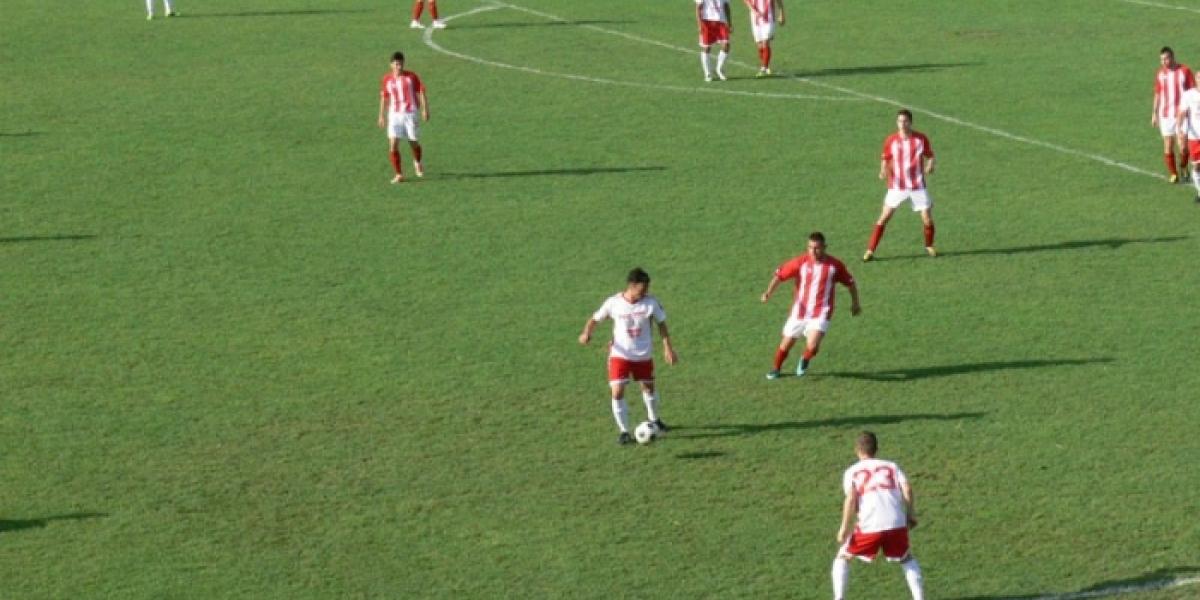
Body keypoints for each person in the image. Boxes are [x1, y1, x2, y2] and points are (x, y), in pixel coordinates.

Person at [579, 268, 679, 445]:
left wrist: (668, 348)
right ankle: (624, 431)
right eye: (642, 289)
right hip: (620, 355)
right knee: (617, 392)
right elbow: (594, 319)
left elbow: (662, 325)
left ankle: (654, 420)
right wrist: (587, 333)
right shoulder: (614, 303)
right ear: (631, 285)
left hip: (643, 355)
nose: (645, 292)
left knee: (648, 388)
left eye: (646, 289)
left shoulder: (651, 303)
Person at [832, 431, 925, 600]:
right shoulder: (891, 466)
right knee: (906, 558)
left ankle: (839, 598)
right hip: (896, 523)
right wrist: (911, 513)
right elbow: (907, 488)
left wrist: (844, 528)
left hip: (870, 525)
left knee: (843, 557)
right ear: (876, 449)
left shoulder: (852, 471)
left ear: (856, 450)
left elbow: (851, 498)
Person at [760, 232, 860, 380]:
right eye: (810, 247)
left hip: (821, 311)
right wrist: (768, 292)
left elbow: (850, 284)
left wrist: (855, 303)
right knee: (786, 344)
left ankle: (805, 358)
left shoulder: (834, 266)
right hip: (800, 311)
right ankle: (776, 368)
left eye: (817, 248)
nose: (813, 251)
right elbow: (779, 276)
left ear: (824, 247)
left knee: (812, 345)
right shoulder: (800, 262)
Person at [863, 109, 937, 261]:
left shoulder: (920, 139)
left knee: (927, 219)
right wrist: (882, 170)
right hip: (897, 186)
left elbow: (930, 156)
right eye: (899, 121)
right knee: (884, 217)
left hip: (917, 186)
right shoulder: (891, 140)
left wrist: (930, 165)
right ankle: (870, 250)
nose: (902, 124)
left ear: (910, 122)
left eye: (905, 121)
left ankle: (929, 245)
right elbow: (885, 157)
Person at [377, 52, 430, 184]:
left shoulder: (411, 77)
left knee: (413, 142)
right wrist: (381, 116)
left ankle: (417, 162)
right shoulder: (386, 79)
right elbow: (384, 97)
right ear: (391, 65)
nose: (399, 66)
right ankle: (399, 174)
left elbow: (421, 91)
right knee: (393, 144)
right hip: (394, 115)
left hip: (410, 113)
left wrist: (425, 109)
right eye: (396, 64)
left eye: (400, 64)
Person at [1153, 47, 1194, 183]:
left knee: (1183, 146)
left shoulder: (1184, 71)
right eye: (1162, 59)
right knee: (1168, 144)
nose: (1164, 62)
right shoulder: (1160, 74)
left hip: (1182, 114)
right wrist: (1154, 113)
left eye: (1166, 58)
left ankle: (1183, 167)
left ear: (1172, 57)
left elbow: (1192, 91)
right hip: (1165, 115)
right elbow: (1158, 94)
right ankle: (1173, 174)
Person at [1174, 82, 1200, 203]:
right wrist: (1179, 128)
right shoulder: (1189, 95)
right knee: (1197, 166)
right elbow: (1182, 112)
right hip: (1194, 137)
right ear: (1196, 80)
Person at [744, 0, 784, 77]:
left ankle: (763, 68)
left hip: (769, 18)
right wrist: (753, 10)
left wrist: (781, 14)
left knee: (765, 42)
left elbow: (779, 1)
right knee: (760, 46)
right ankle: (766, 65)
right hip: (755, 19)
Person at [696, 0, 732, 82]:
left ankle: (719, 69)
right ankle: (707, 73)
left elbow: (726, 6)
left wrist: (729, 23)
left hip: (721, 21)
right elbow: (698, 8)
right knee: (707, 48)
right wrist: (699, 24)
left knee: (726, 45)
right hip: (707, 22)